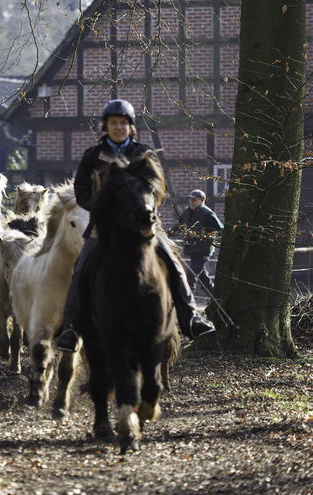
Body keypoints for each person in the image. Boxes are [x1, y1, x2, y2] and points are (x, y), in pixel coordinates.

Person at [56, 99, 216, 353]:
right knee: (81, 269)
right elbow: (82, 191)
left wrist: (145, 210)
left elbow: (158, 189)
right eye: (113, 123)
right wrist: (105, 207)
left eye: (123, 123)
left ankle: (191, 319)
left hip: (144, 224)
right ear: (105, 127)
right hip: (104, 228)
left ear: (130, 127)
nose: (118, 127)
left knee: (174, 263)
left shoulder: (145, 154)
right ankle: (70, 329)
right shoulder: (91, 157)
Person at [177, 189, 224, 294]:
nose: (192, 202)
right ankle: (215, 296)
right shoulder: (186, 213)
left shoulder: (208, 214)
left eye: (194, 199)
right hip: (192, 250)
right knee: (203, 277)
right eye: (190, 199)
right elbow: (178, 226)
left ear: (202, 200)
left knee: (191, 274)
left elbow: (221, 229)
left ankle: (188, 300)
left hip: (203, 250)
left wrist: (212, 238)